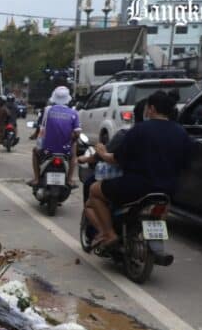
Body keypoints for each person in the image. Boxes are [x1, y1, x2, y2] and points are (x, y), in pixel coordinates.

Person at [83, 90, 194, 249]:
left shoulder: (140, 129)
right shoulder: (181, 132)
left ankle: (109, 233)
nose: (147, 111)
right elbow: (186, 164)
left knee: (94, 190)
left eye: (148, 107)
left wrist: (101, 153)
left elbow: (117, 159)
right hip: (168, 189)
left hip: (136, 187)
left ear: (152, 109)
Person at [30, 86, 80, 188]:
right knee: (74, 150)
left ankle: (36, 179)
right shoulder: (74, 113)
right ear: (68, 99)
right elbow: (77, 134)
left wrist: (36, 136)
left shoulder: (47, 110)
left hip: (47, 149)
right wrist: (72, 138)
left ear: (54, 97)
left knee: (35, 152)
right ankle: (70, 179)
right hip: (65, 151)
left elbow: (41, 127)